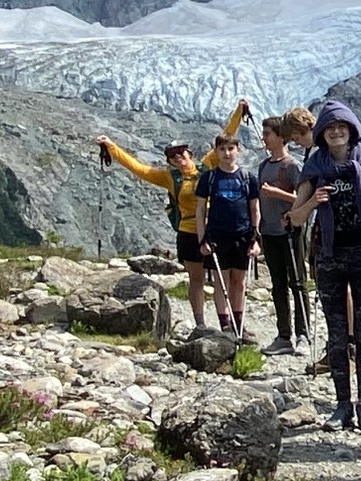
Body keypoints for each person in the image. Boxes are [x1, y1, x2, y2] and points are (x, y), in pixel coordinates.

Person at [96, 98, 250, 333]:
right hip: (189, 233)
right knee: (197, 280)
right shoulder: (169, 177)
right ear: (169, 161)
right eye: (173, 156)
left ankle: (229, 325)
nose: (179, 158)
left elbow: (227, 135)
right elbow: (139, 168)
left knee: (223, 279)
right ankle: (200, 324)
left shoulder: (207, 164)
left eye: (181, 153)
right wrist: (111, 147)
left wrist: (239, 111)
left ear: (190, 154)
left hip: (214, 231)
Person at [288, 100, 361, 432]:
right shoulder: (315, 166)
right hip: (329, 256)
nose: (336, 132)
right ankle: (343, 404)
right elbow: (295, 217)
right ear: (321, 134)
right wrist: (314, 202)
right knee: (337, 334)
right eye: (330, 128)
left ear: (351, 129)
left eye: (341, 126)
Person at [194, 132, 261, 338]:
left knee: (239, 281)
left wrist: (255, 238)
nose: (227, 153)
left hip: (242, 235)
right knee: (221, 281)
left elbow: (255, 209)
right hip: (217, 236)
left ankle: (238, 324)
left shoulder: (248, 178)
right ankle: (225, 324)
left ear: (238, 150)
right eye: (222, 149)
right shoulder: (209, 178)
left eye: (231, 148)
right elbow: (200, 210)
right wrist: (202, 239)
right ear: (216, 152)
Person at [256, 116, 304, 355]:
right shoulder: (263, 166)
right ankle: (284, 335)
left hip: (290, 232)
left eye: (268, 134)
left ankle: (303, 334)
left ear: (280, 137)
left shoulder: (292, 166)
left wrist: (277, 193)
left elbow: (303, 199)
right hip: (269, 232)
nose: (264, 138)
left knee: (297, 283)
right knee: (278, 285)